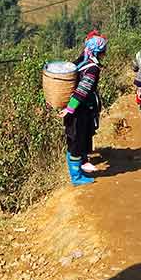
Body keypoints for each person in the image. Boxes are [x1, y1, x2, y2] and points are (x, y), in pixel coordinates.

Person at [59, 33, 108, 185]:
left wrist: (68, 108)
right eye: (104, 50)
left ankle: (78, 171)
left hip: (72, 109)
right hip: (80, 111)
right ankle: (76, 176)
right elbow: (83, 89)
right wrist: (71, 109)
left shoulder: (80, 60)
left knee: (72, 141)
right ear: (100, 52)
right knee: (77, 143)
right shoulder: (92, 68)